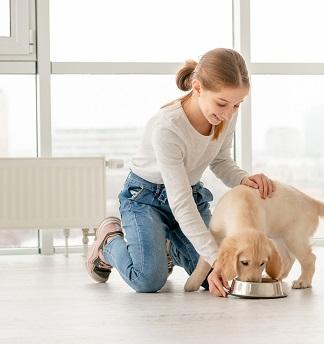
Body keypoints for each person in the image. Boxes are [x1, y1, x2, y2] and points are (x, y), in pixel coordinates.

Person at [86, 48, 274, 297]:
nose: (229, 113)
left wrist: (243, 179)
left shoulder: (226, 114)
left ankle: (166, 245)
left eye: (237, 104)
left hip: (190, 196)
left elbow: (219, 160)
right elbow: (180, 203)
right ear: (197, 88)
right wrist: (216, 257)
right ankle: (109, 240)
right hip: (145, 199)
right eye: (222, 103)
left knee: (215, 277)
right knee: (148, 280)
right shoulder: (168, 127)